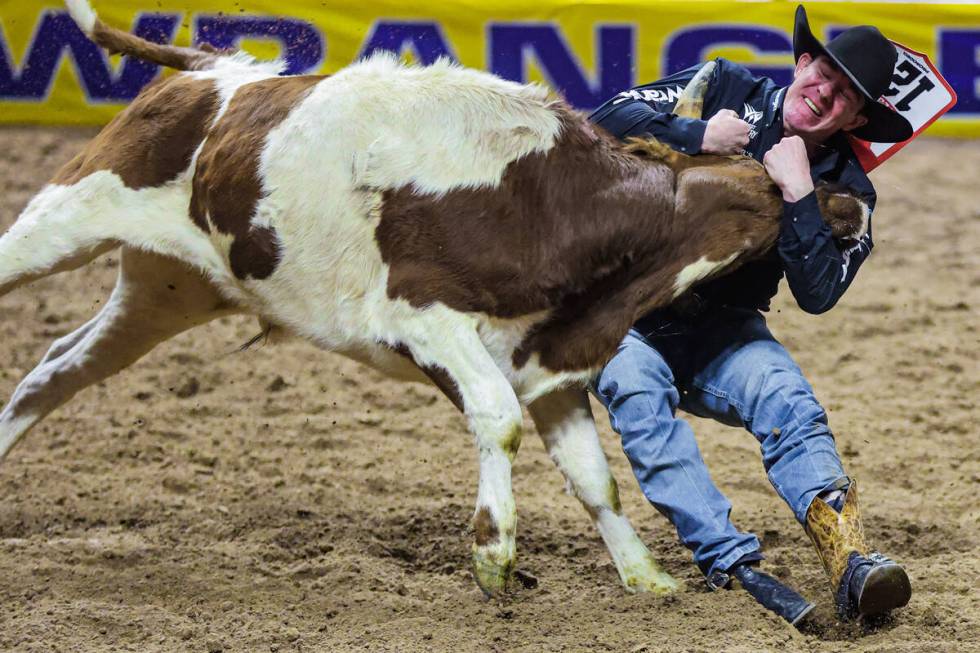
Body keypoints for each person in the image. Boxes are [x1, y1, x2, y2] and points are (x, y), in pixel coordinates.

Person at [588, 5, 913, 624]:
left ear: (859, 120)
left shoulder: (850, 189)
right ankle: (731, 559)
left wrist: (797, 194)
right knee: (634, 387)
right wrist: (697, 137)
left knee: (788, 399)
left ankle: (852, 561)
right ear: (804, 62)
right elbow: (603, 120)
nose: (826, 95)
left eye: (847, 97)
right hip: (626, 311)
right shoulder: (724, 85)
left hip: (725, 331)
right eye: (826, 74)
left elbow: (818, 294)